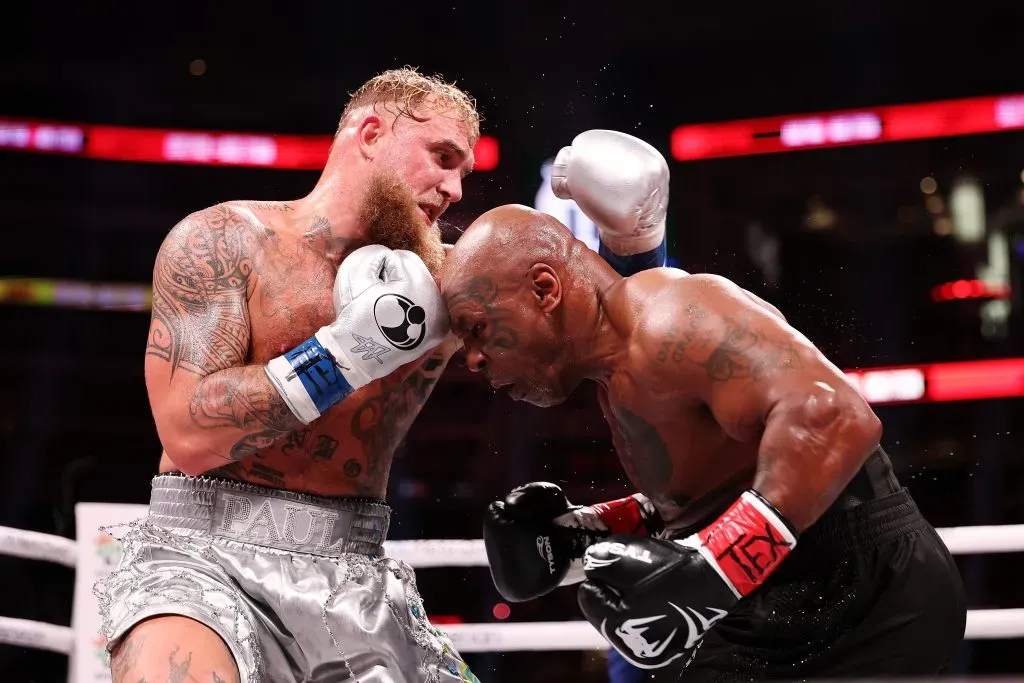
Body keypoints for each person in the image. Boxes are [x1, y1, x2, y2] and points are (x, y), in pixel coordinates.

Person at [440, 131, 968, 679]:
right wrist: (585, 534)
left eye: (479, 330)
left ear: (545, 290)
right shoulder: (617, 371)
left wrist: (716, 566)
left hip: (861, 583)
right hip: (783, 590)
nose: (474, 361)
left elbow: (834, 416)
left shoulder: (673, 317)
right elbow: (708, 495)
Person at [95, 67, 482, 683]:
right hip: (201, 558)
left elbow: (591, 337)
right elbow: (188, 436)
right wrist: (346, 353)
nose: (455, 187)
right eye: (443, 157)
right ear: (373, 133)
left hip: (356, 573)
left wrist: (636, 237)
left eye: (465, 171)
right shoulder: (228, 240)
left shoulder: (450, 284)